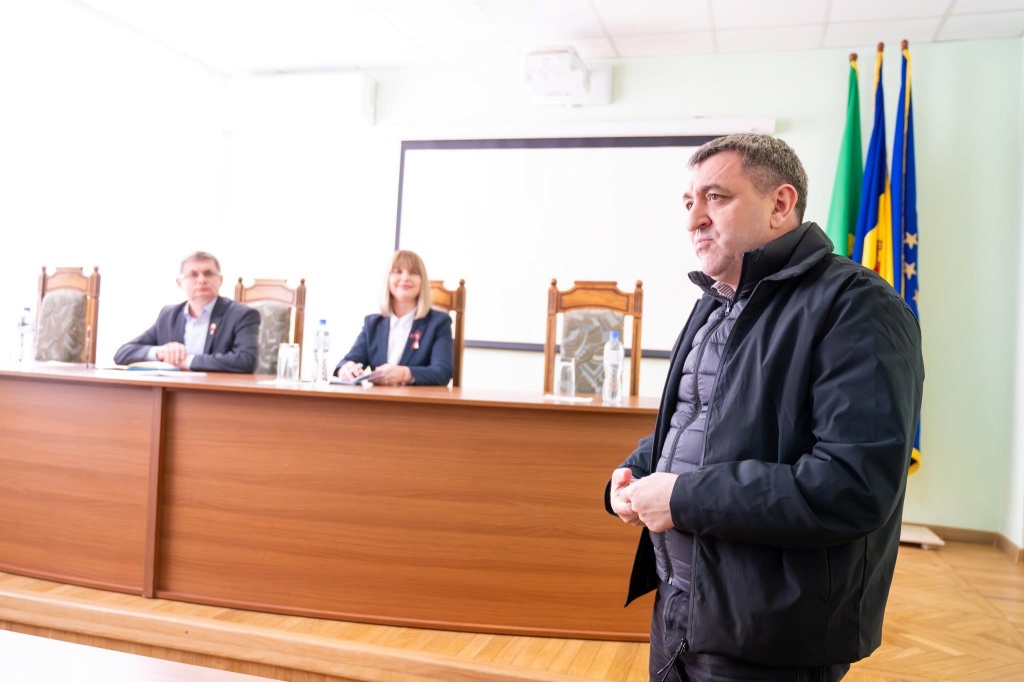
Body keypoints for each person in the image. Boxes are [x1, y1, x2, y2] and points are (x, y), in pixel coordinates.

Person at [605, 133, 924, 682]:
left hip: (771, 635)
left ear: (780, 204)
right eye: (689, 202)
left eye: (716, 197)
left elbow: (853, 485)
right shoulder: (714, 303)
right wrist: (635, 470)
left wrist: (682, 497)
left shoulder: (857, 306)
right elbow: (697, 421)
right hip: (680, 611)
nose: (694, 220)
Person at [114, 251, 259, 373]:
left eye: (208, 273)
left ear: (220, 280)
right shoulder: (169, 315)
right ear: (180, 283)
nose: (201, 280)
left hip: (218, 393)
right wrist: (160, 352)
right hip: (172, 390)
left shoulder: (241, 314)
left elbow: (246, 360)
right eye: (193, 274)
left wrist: (187, 361)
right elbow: (122, 354)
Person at [335, 250, 453, 386]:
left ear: (422, 282)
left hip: (416, 398)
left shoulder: (439, 322)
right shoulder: (373, 324)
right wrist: (346, 369)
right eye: (398, 271)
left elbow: (442, 372)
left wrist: (404, 374)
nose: (405, 278)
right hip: (378, 397)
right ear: (388, 279)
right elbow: (348, 361)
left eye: (413, 272)